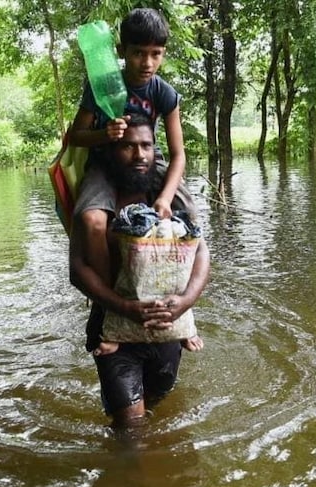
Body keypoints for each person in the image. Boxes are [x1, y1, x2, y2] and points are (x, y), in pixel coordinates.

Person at [69, 115, 210, 429]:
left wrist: (186, 302)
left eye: (146, 146)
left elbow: (200, 251)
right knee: (130, 428)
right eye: (128, 147)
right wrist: (123, 308)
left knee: (157, 402)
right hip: (113, 323)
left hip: (165, 325)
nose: (139, 155)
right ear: (111, 152)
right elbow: (77, 270)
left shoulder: (166, 196)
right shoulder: (97, 202)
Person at [68, 7, 197, 326]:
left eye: (157, 54)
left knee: (190, 217)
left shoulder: (163, 92)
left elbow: (179, 154)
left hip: (147, 160)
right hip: (104, 161)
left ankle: (180, 297)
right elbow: (75, 137)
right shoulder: (102, 86)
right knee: (93, 221)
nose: (148, 63)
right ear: (122, 51)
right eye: (139, 53)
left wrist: (165, 198)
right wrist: (104, 133)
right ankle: (111, 296)